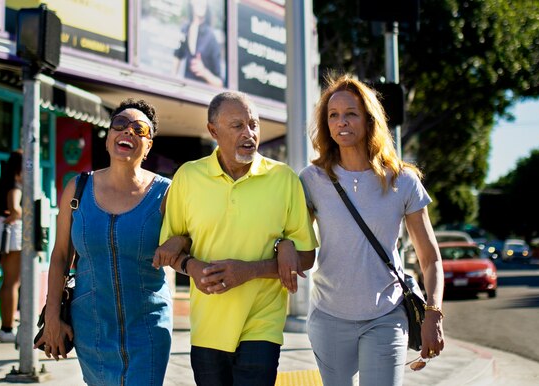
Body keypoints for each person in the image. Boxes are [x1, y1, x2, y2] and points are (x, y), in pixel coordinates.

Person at [282, 74, 445, 386]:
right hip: (329, 317)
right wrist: (284, 244)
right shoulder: (312, 179)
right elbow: (292, 232)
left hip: (386, 315)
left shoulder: (403, 180)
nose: (341, 122)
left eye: (351, 114)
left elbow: (430, 259)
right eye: (333, 115)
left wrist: (434, 313)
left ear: (369, 119)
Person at [154, 91, 317, 386]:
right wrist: (191, 267)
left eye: (254, 124)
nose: (249, 134)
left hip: (262, 324)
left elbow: (307, 256)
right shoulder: (188, 177)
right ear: (213, 131)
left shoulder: (284, 179)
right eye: (237, 125)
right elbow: (172, 250)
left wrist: (253, 269)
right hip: (207, 327)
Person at [34, 99, 172, 385]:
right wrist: (52, 317)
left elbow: (188, 239)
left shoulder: (166, 194)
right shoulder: (78, 188)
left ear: (149, 146)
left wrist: (180, 240)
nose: (128, 132)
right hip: (91, 326)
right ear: (108, 138)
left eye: (139, 130)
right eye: (119, 125)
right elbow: (60, 255)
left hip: (147, 326)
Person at [0, 149, 23, 343]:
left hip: (2, 230)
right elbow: (16, 209)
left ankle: (6, 325)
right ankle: (7, 328)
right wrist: (17, 215)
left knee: (8, 280)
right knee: (13, 282)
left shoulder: (3, 182)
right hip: (12, 233)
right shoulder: (15, 185)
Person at [173, 0, 224, 87]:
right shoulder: (185, 28)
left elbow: (219, 84)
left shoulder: (211, 37)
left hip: (201, 95)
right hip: (185, 91)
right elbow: (177, 55)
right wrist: (173, 81)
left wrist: (204, 72)